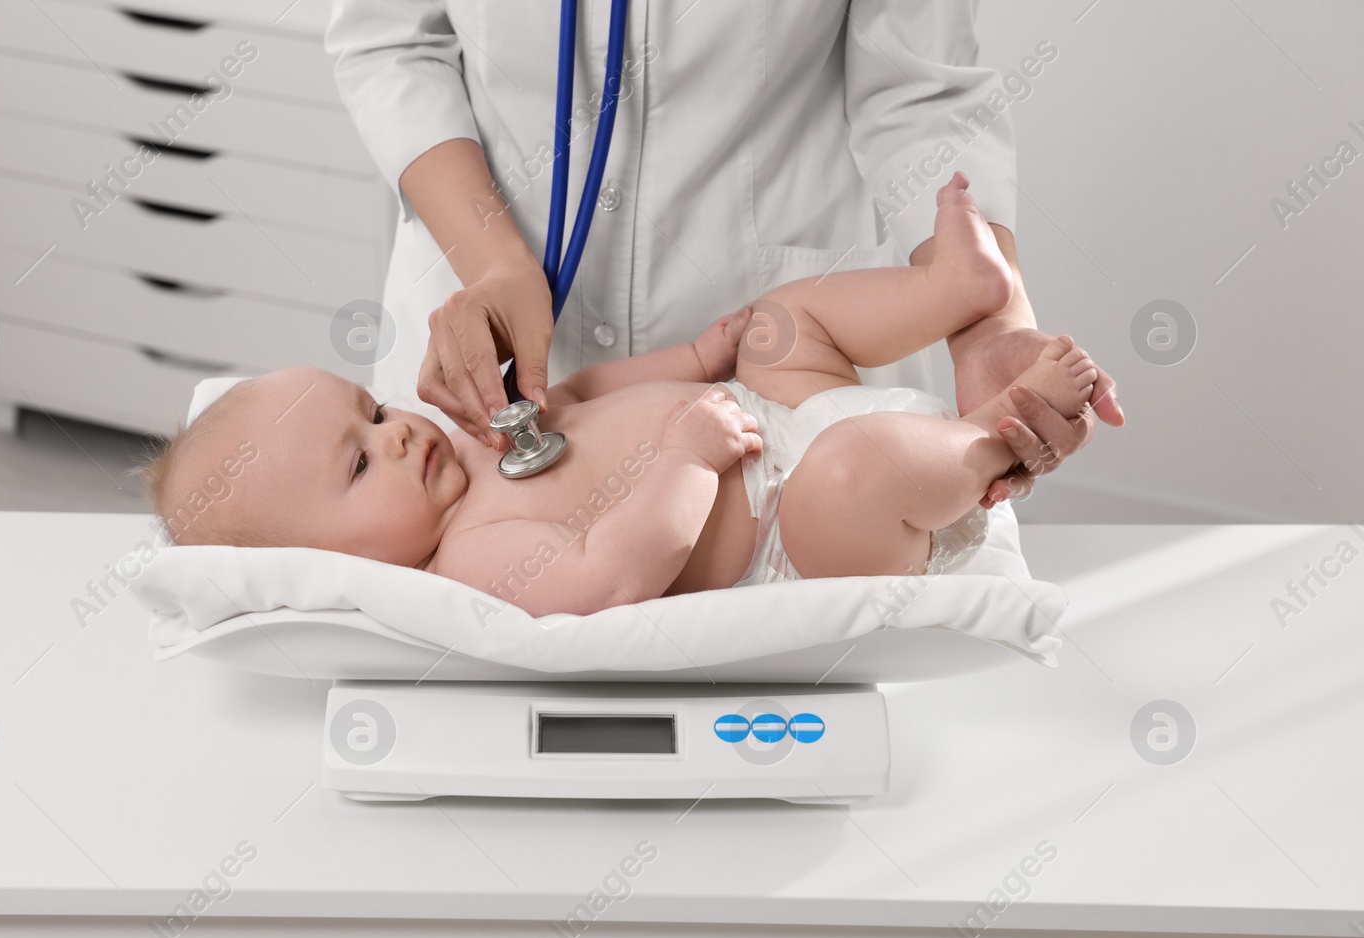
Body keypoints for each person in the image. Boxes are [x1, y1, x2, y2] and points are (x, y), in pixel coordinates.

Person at [141, 174, 1103, 615]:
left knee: (780, 323)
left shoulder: (466, 444)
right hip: (795, 529)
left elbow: (584, 397)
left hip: (772, 412)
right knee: (850, 475)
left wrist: (693, 357)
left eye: (373, 411)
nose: (396, 434)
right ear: (329, 569)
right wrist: (684, 459)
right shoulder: (470, 564)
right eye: (358, 462)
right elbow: (612, 573)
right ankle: (991, 438)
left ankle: (954, 291)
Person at [324, 1, 1123, 511]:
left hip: (780, 389)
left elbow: (922, 89)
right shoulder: (407, 461)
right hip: (477, 369)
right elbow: (393, 41)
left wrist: (989, 328)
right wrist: (495, 262)